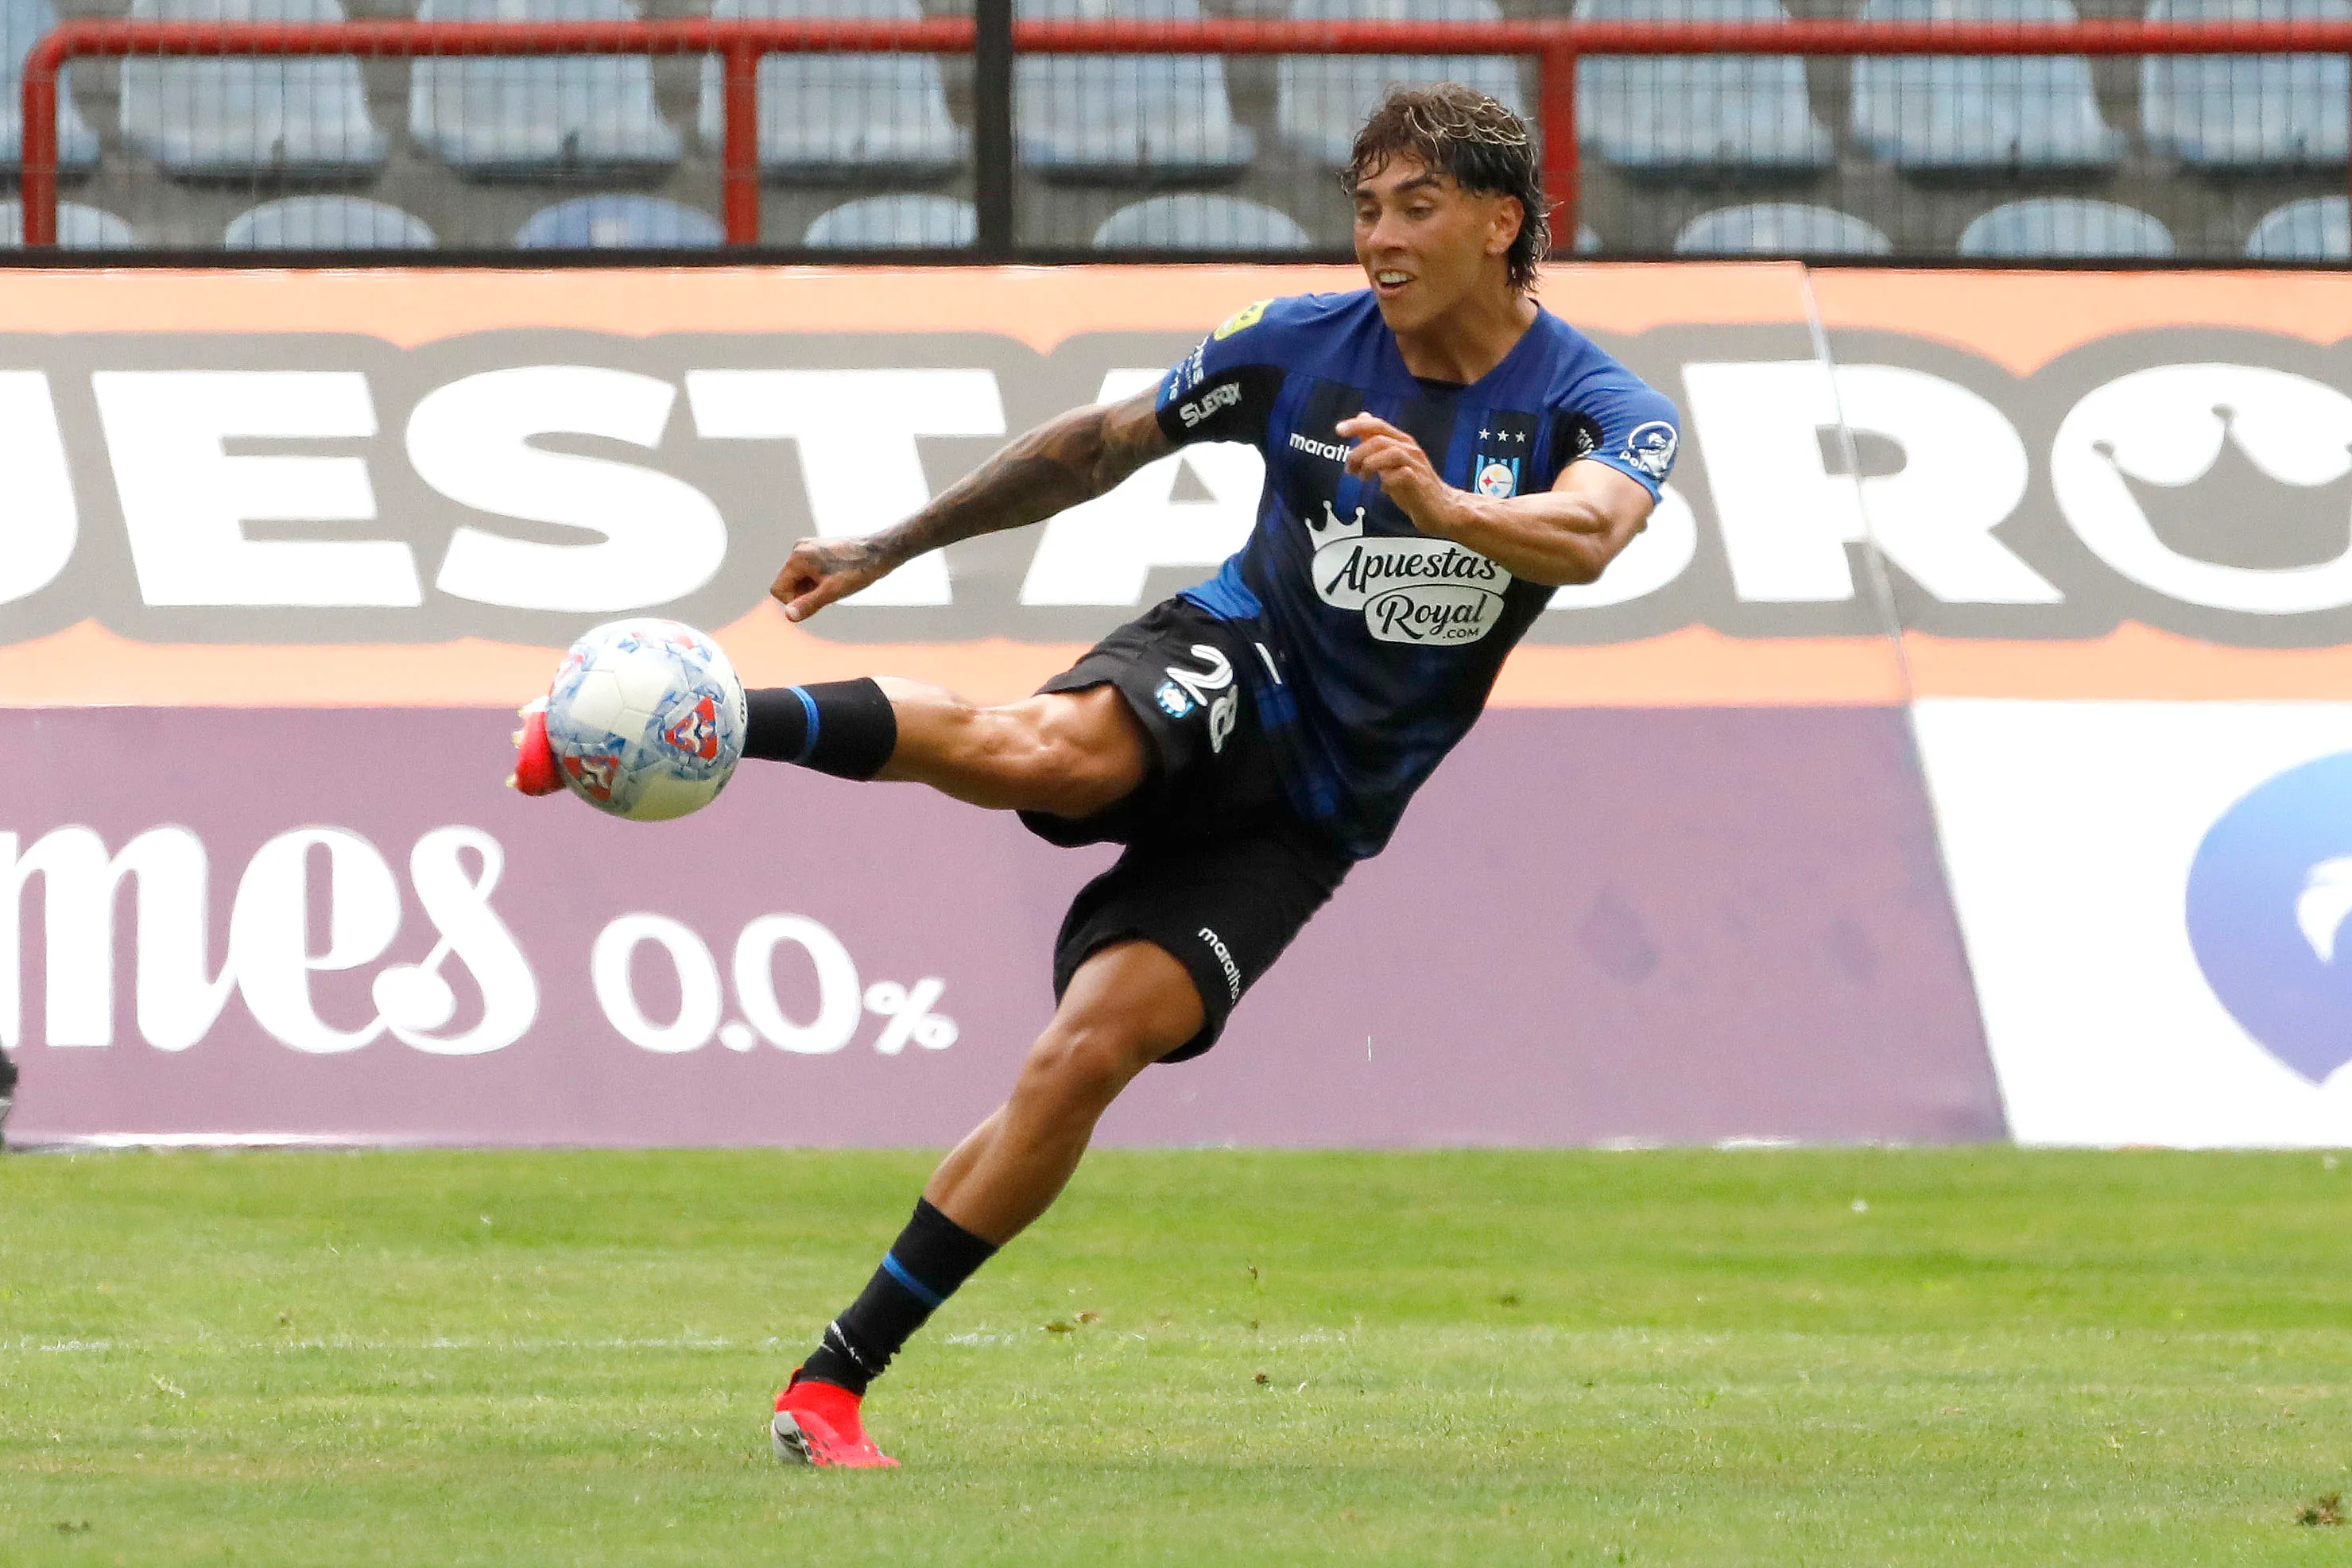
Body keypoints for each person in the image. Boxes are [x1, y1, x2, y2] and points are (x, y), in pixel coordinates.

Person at [512, 82, 1680, 1469]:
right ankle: (686, 720)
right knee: (1041, 753)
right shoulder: (1297, 347)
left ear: (1499, 223)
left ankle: (828, 1388)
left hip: (1320, 814)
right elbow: (1099, 444)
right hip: (1239, 660)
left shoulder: (1598, 402)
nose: (1379, 237)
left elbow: (1589, 535)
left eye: (1415, 208)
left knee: (1084, 1058)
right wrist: (888, 544)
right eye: (1365, 207)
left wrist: (1444, 506)